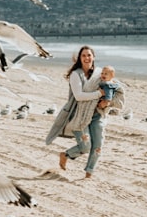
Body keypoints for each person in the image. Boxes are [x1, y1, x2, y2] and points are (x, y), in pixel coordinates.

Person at [45, 46, 124, 178]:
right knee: (86, 146)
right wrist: (99, 93)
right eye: (84, 56)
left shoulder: (100, 73)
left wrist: (108, 102)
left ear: (93, 57)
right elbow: (79, 96)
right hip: (80, 116)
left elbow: (114, 87)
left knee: (98, 146)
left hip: (98, 115)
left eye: (89, 55)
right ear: (80, 59)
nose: (87, 58)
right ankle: (66, 155)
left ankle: (89, 173)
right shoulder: (76, 75)